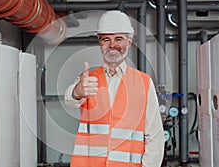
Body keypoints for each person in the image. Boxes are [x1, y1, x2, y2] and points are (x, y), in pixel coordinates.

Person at [64, 10, 164, 167]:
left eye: (118, 39)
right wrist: (77, 92)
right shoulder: (88, 79)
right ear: (100, 43)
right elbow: (70, 100)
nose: (112, 45)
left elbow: (155, 136)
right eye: (106, 39)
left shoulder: (144, 82)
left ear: (129, 43)